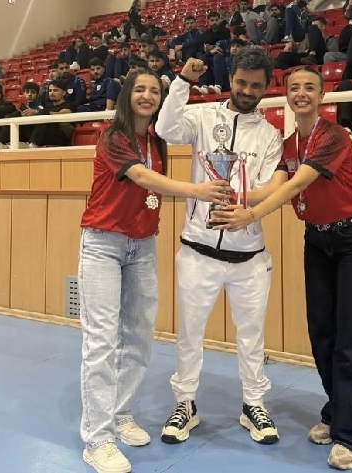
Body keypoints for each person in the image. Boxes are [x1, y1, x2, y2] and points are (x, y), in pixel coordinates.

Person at [211, 66, 352, 470]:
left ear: (322, 96)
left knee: (350, 341)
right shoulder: (289, 144)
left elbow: (295, 186)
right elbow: (274, 186)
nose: (301, 93)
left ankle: (351, 434)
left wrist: (249, 215)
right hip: (317, 242)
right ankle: (337, 411)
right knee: (322, 335)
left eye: (309, 87)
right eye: (294, 88)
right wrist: (227, 193)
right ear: (286, 95)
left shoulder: (334, 137)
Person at [78, 68, 232, 473]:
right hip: (103, 244)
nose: (147, 96)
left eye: (154, 91)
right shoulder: (113, 137)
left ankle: (120, 414)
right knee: (101, 341)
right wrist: (197, 191)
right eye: (140, 89)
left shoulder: (156, 140)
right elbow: (142, 176)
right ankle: (97, 439)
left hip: (142, 245)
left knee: (139, 337)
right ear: (127, 95)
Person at [155, 49, 284, 445]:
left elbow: (268, 187)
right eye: (241, 82)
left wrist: (242, 205)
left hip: (249, 256)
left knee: (252, 336)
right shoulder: (202, 117)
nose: (247, 90)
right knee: (189, 333)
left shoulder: (270, 135)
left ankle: (253, 404)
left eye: (256, 85)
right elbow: (165, 128)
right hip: (198, 250)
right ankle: (185, 403)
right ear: (231, 79)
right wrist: (183, 82)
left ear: (265, 87)